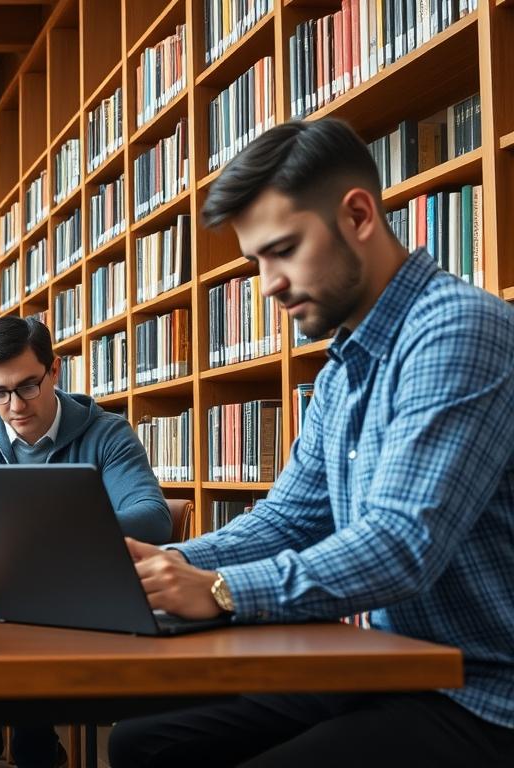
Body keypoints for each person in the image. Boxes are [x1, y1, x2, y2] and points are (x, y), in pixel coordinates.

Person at [110, 118, 514, 767]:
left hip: (481, 691)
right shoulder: (341, 369)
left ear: (357, 214)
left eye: (283, 249)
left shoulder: (458, 330)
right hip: (388, 668)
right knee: (145, 742)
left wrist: (220, 590)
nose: (267, 283)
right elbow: (287, 519)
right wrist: (162, 569)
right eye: (257, 261)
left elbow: (400, 544)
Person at [0, 315, 171, 766]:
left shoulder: (106, 432)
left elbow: (153, 518)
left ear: (54, 370)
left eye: (27, 387)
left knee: (25, 620)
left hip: (76, 587)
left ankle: (29, 738)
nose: (15, 405)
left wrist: (53, 535)